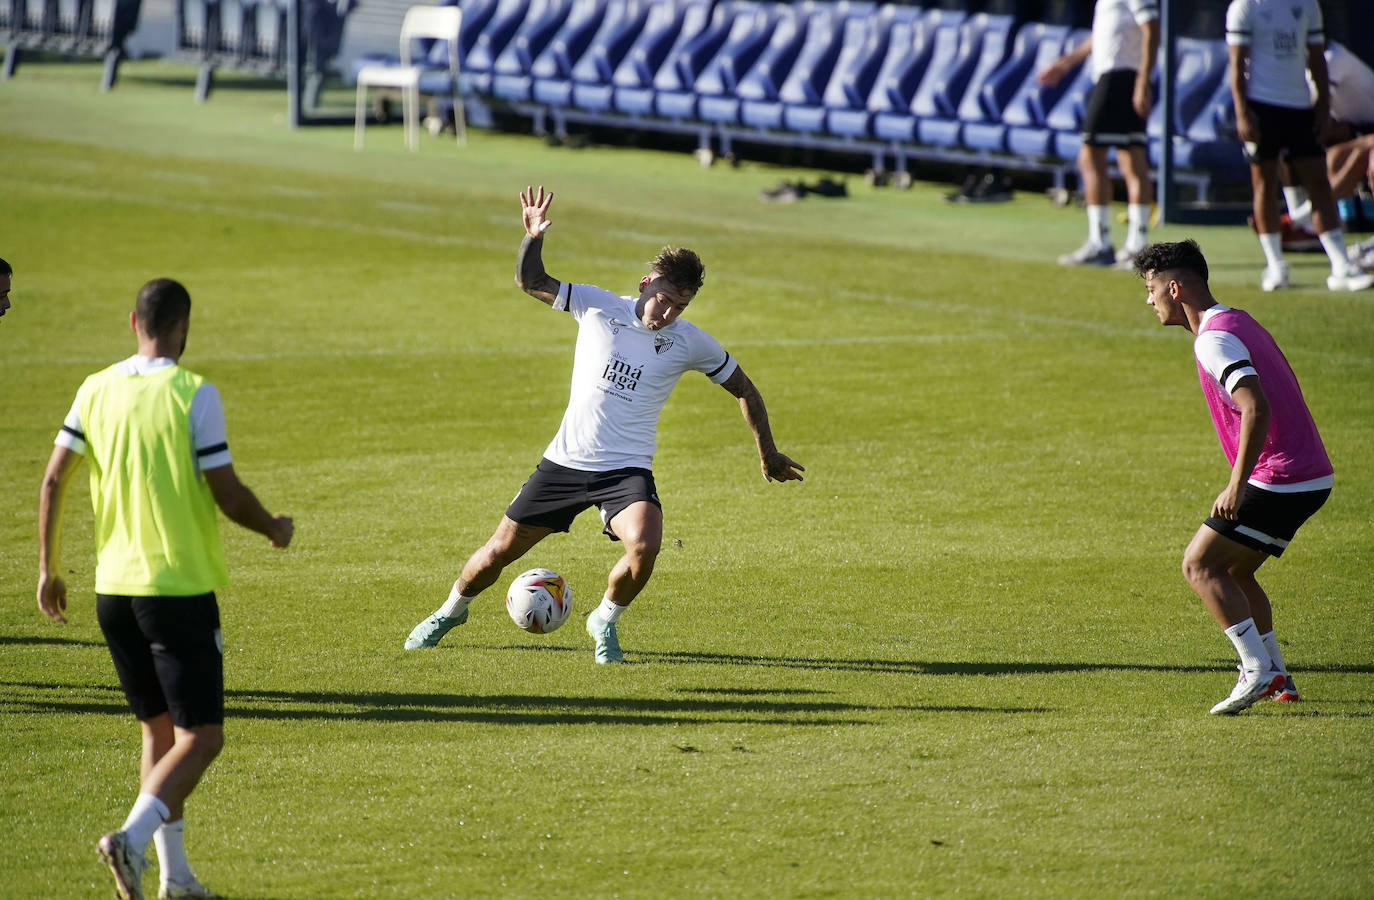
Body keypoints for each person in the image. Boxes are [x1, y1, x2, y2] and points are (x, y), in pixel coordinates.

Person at [404, 186, 804, 663]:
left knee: (646, 545)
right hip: (565, 463)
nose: (670, 313)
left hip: (625, 470)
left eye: (681, 306)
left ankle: (605, 619)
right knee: (495, 555)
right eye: (666, 300)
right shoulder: (595, 305)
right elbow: (531, 281)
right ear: (645, 284)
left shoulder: (690, 342)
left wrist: (768, 453)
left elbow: (745, 389)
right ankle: (451, 610)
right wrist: (532, 238)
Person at [38, 278, 294, 900]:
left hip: (111, 592)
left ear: (133, 322)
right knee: (203, 737)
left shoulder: (94, 389)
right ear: (183, 328)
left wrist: (48, 568)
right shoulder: (192, 393)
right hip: (174, 590)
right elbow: (226, 491)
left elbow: (52, 480)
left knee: (158, 734)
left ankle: (176, 879)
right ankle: (129, 839)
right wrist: (273, 527)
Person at [1133, 240, 1332, 715]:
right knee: (1236, 571)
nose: (1149, 299)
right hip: (1308, 473)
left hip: (1281, 476)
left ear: (1174, 287)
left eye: (1151, 287)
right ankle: (1277, 674)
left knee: (1199, 565)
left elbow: (1254, 406)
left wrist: (1238, 484)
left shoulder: (1213, 339)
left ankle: (1256, 670)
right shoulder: (1238, 320)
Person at [1226, 0, 1372, 291]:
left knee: (1319, 184)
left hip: (1300, 107)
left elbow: (1316, 57)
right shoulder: (1245, 7)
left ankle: (1341, 267)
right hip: (1261, 107)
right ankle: (1275, 265)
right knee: (1264, 185)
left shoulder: (1307, 5)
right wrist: (1242, 113)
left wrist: (1321, 109)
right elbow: (1237, 63)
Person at [1039, 0, 1159, 268]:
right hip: (1113, 76)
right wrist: (1066, 62)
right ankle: (1130, 246)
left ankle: (1105, 243)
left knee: (1092, 156)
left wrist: (1142, 81)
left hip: (1120, 79)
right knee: (1130, 157)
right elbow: (1103, 34)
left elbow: (1152, 29)